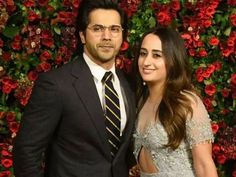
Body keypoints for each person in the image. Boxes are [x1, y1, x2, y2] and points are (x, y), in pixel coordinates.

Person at [13, 0, 135, 177]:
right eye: (98, 29)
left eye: (114, 29)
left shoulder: (129, 83)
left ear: (122, 35)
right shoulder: (56, 84)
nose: (107, 36)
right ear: (83, 36)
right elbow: (26, 151)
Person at [133, 27, 218, 177]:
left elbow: (205, 166)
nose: (146, 62)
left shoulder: (187, 102)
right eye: (143, 53)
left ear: (172, 60)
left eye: (157, 55)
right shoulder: (141, 100)